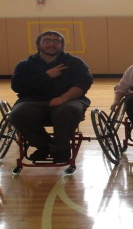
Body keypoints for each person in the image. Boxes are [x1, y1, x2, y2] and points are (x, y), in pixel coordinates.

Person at [9, 30, 94, 163]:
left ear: (62, 45)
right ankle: (44, 146)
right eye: (47, 40)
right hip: (34, 101)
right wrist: (46, 76)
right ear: (38, 44)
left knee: (70, 110)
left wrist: (63, 98)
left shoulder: (75, 62)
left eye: (56, 41)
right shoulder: (25, 65)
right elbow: (17, 86)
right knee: (17, 114)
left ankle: (61, 149)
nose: (52, 44)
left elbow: (83, 84)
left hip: (67, 101)